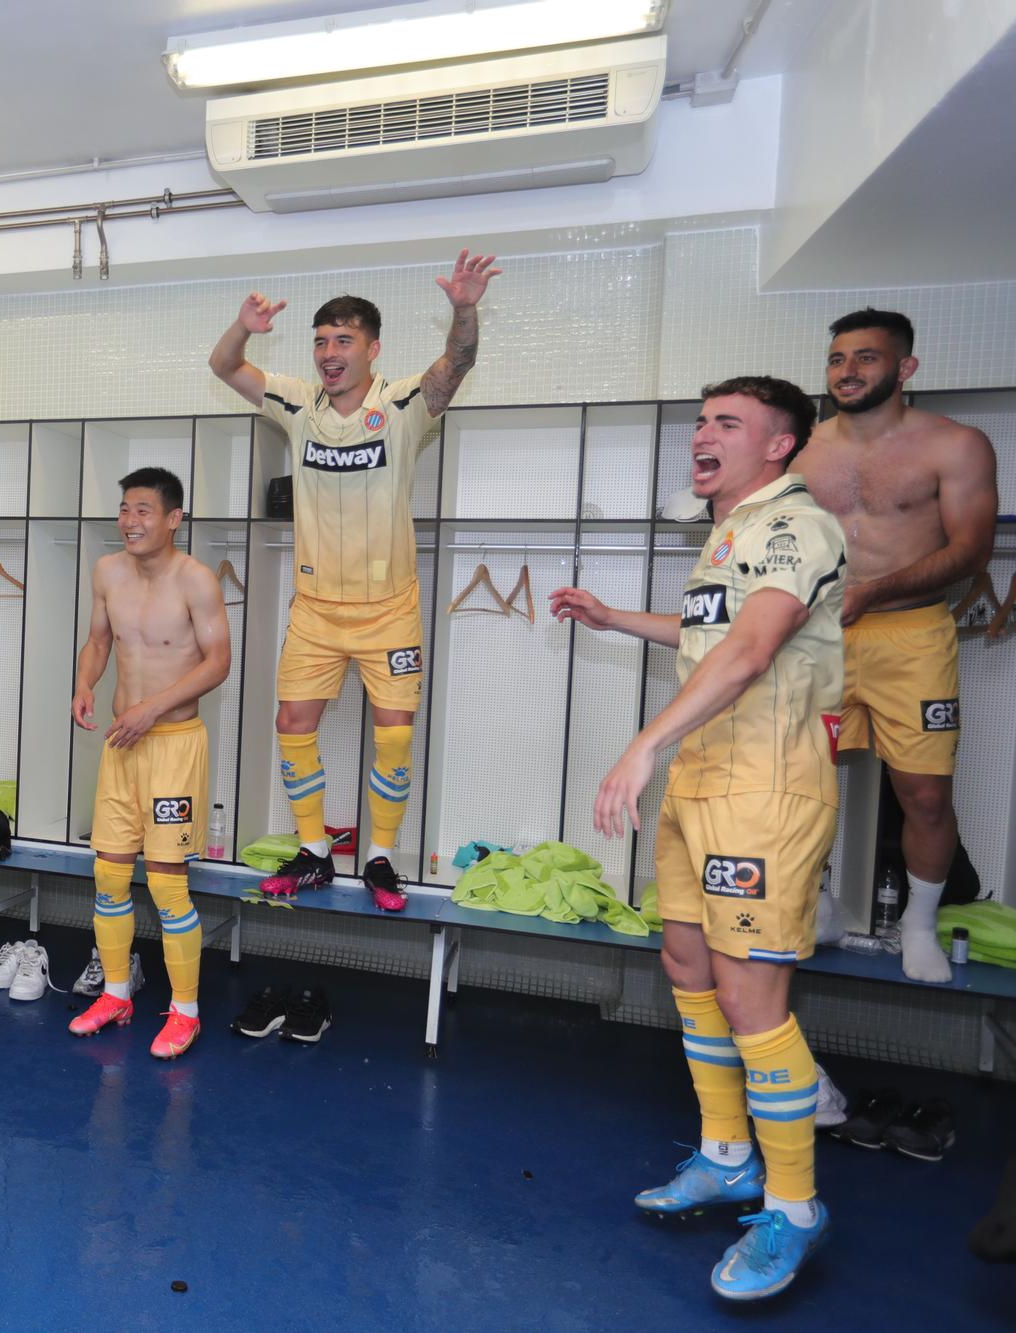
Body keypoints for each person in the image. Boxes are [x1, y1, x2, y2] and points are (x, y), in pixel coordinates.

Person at [553, 376, 843, 1301]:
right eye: (701, 421)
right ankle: (727, 1155)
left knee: (755, 999)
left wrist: (644, 743)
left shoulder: (798, 527)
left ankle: (795, 1204)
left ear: (781, 445)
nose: (702, 435)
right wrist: (614, 620)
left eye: (728, 423)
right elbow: (707, 632)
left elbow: (754, 648)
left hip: (765, 788)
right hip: (703, 784)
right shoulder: (732, 528)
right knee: (687, 962)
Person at [209, 250, 499, 907]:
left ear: (372, 348)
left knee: (394, 730)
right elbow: (224, 365)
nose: (329, 352)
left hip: (388, 606)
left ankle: (378, 857)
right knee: (291, 721)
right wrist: (242, 325)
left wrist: (464, 309)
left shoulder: (403, 406)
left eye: (344, 340)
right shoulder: (295, 402)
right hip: (315, 607)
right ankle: (314, 851)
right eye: (320, 341)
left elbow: (458, 365)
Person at [799, 309, 998, 982]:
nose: (847, 371)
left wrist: (874, 592)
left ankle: (917, 924)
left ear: (905, 367)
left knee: (925, 793)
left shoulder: (956, 444)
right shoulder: (802, 444)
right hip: (818, 632)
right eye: (836, 359)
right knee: (799, 778)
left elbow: (972, 551)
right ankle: (818, 903)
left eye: (865, 358)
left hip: (911, 634)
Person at [67, 468, 232, 1059]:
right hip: (121, 742)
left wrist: (151, 709)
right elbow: (99, 640)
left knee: (166, 883)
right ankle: (116, 993)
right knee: (109, 875)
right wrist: (85, 683)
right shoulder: (107, 571)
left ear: (172, 518)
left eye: (143, 510)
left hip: (173, 744)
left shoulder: (196, 580)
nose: (130, 521)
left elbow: (218, 663)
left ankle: (184, 1011)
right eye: (124, 509)